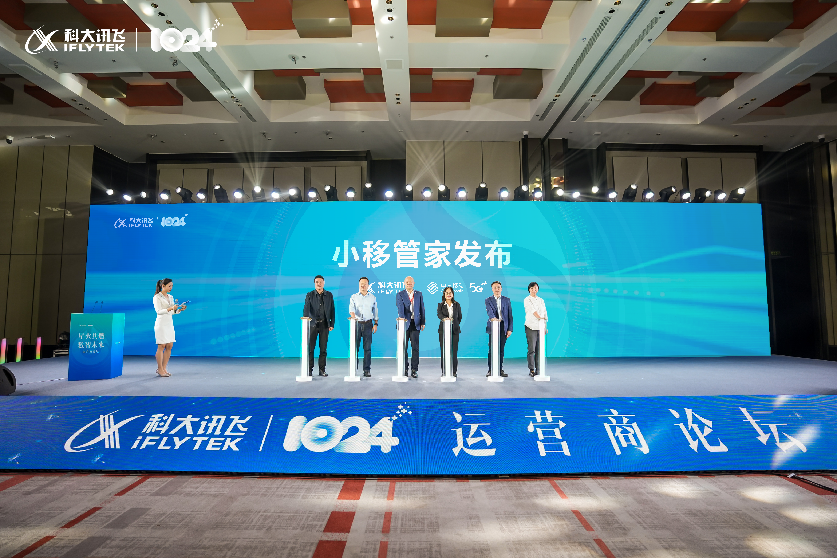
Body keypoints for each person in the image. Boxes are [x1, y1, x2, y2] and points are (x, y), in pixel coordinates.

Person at [303, 275, 335, 377]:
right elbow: (306, 310)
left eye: (320, 282)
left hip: (324, 325)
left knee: (323, 349)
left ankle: (322, 370)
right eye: (317, 282)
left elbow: (332, 310)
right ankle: (309, 370)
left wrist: (331, 324)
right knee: (310, 349)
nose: (319, 284)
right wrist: (306, 324)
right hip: (312, 325)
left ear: (324, 283)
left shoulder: (329, 295)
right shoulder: (310, 295)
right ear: (314, 283)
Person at [153, 278, 186, 378]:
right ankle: (159, 369)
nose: (171, 288)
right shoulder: (157, 297)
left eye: (172, 286)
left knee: (169, 345)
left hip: (169, 323)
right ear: (163, 286)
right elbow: (159, 311)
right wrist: (171, 308)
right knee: (161, 346)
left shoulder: (171, 297)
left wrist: (179, 310)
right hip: (161, 323)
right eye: (169, 286)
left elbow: (172, 312)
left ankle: (164, 368)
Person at [396, 276, 425, 379]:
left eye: (411, 282)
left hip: (415, 324)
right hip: (404, 323)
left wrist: (422, 322)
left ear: (414, 283)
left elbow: (422, 308)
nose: (409, 283)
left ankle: (414, 370)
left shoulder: (419, 294)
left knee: (415, 348)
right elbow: (400, 309)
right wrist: (402, 320)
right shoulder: (400, 294)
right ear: (404, 283)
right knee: (403, 348)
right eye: (407, 282)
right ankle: (404, 368)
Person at [349, 277, 378, 377]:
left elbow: (375, 311)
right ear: (359, 284)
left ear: (368, 285)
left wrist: (376, 323)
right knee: (354, 348)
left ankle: (366, 370)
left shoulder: (372, 297)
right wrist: (354, 318)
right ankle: (353, 369)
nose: (363, 285)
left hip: (368, 324)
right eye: (361, 283)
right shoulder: (354, 297)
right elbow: (351, 310)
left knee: (367, 348)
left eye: (365, 284)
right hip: (357, 324)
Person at [484, 281, 512, 377]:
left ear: (501, 288)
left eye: (498, 287)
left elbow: (510, 315)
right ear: (492, 289)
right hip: (493, 326)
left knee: (501, 349)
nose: (497, 289)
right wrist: (494, 319)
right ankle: (490, 370)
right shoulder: (488, 300)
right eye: (495, 287)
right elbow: (490, 312)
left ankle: (500, 369)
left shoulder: (506, 300)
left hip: (503, 326)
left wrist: (510, 329)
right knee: (492, 349)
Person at [524, 281, 548, 378]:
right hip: (531, 326)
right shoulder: (527, 299)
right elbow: (532, 310)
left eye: (535, 288)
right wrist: (539, 318)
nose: (534, 290)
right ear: (529, 289)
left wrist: (545, 326)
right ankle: (531, 369)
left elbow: (545, 313)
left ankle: (539, 369)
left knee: (539, 349)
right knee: (532, 349)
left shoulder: (541, 300)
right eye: (532, 288)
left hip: (540, 327)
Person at [437, 286, 462, 377]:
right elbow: (439, 315)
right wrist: (445, 319)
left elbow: (459, 317)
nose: (448, 294)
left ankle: (454, 371)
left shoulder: (457, 304)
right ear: (444, 294)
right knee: (444, 351)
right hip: (443, 331)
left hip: (455, 330)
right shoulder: (440, 305)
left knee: (454, 351)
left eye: (450, 292)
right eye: (446, 293)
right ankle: (444, 371)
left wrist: (454, 324)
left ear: (453, 294)